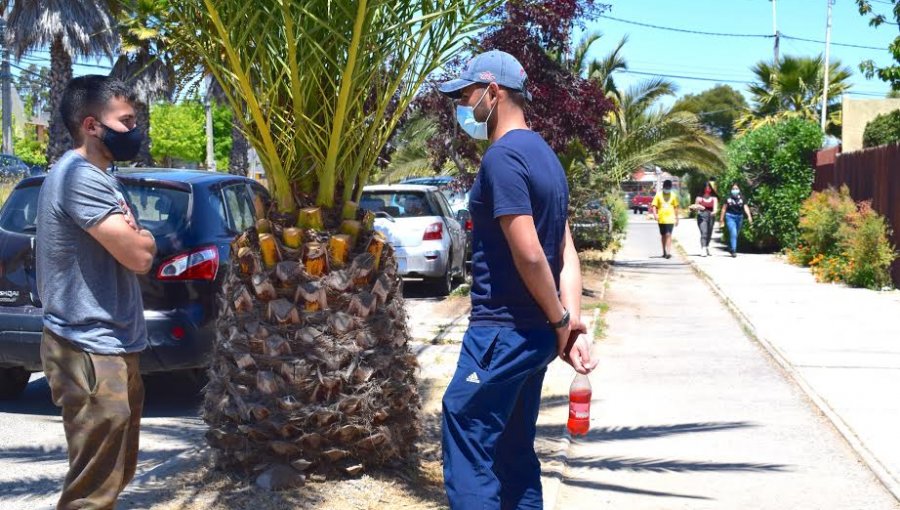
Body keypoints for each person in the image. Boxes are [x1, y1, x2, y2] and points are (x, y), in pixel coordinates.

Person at [437, 50, 597, 510]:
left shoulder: (502, 159)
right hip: (535, 337)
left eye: (467, 94)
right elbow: (566, 251)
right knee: (512, 452)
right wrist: (568, 327)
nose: (463, 106)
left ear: (495, 91)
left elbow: (530, 253)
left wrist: (563, 320)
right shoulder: (546, 156)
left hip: (501, 331)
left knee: (464, 424)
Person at [36, 75, 157, 510]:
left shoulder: (105, 179)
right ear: (91, 125)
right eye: (125, 121)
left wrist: (139, 239)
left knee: (116, 472)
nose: (135, 130)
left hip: (114, 344)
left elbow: (135, 245)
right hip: (87, 346)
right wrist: (143, 239)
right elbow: (140, 254)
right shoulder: (80, 178)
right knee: (92, 490)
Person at [719, 183, 754, 257]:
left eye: (736, 189)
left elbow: (746, 207)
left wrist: (749, 216)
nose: (735, 190)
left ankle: (731, 247)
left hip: (739, 217)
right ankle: (734, 251)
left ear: (739, 190)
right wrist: (721, 219)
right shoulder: (728, 198)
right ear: (731, 190)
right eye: (733, 189)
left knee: (735, 234)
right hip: (730, 217)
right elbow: (724, 209)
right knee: (734, 233)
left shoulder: (742, 198)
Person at [650, 180, 679, 259]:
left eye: (669, 187)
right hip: (661, 219)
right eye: (666, 187)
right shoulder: (658, 195)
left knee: (668, 234)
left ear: (670, 187)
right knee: (663, 235)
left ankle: (669, 252)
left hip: (670, 219)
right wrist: (655, 214)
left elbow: (676, 207)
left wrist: (677, 218)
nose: (667, 189)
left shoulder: (673, 195)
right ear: (664, 187)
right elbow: (654, 206)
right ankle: (664, 251)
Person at [690, 181, 718, 257]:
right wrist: (698, 207)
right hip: (702, 216)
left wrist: (714, 212)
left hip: (711, 216)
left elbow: (715, 208)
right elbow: (695, 207)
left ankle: (707, 246)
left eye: (709, 188)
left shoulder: (714, 198)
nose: (707, 189)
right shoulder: (699, 198)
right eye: (706, 188)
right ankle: (703, 248)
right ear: (703, 188)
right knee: (704, 232)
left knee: (709, 233)